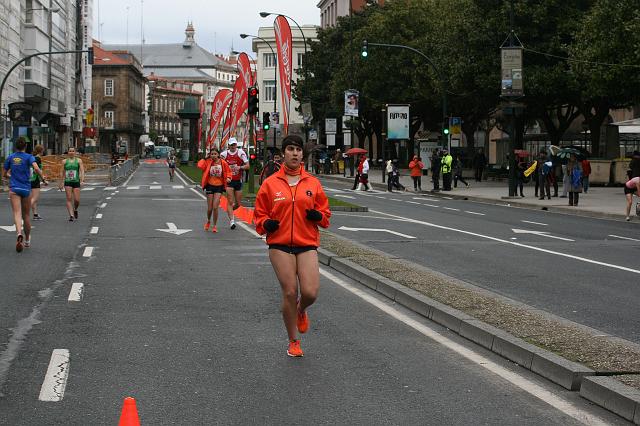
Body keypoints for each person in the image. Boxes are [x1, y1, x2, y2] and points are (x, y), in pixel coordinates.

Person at [254, 135, 331, 357]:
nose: (295, 153)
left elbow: (326, 216)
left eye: (298, 149)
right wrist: (265, 223)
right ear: (283, 154)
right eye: (290, 149)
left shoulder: (312, 183)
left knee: (310, 292)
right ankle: (293, 341)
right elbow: (260, 215)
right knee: (289, 291)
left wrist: (318, 215)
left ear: (302, 155)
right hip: (279, 244)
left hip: (306, 243)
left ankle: (301, 309)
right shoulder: (270, 184)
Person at [2, 137, 46, 251]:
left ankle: (18, 234)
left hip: (14, 188)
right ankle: (26, 240)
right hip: (26, 188)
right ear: (25, 146)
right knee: (26, 215)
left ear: (15, 146)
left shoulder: (10, 157)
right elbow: (36, 168)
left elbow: (4, 174)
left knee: (17, 213)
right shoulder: (29, 157)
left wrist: (12, 177)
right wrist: (43, 179)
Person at [197, 148, 231, 232]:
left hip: (219, 186)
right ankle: (208, 221)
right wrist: (205, 158)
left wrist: (229, 178)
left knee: (215, 207)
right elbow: (200, 166)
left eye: (215, 154)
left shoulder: (223, 163)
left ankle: (214, 225)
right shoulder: (208, 162)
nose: (213, 156)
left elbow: (228, 171)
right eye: (212, 154)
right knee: (210, 208)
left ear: (218, 154)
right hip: (209, 185)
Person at [220, 138, 249, 229]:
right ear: (228, 146)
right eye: (231, 145)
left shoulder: (241, 153)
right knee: (230, 201)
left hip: (238, 181)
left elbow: (247, 166)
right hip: (229, 181)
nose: (233, 146)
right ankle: (232, 221)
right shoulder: (224, 154)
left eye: (234, 144)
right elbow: (218, 165)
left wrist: (239, 167)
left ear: (236, 145)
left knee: (238, 204)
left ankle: (230, 211)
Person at [59, 147, 85, 221]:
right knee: (69, 198)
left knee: (77, 200)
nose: (71, 152)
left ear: (75, 152)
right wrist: (61, 182)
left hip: (76, 181)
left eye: (73, 151)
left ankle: (75, 209)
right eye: (70, 151)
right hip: (68, 182)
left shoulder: (79, 160)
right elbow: (61, 172)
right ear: (68, 152)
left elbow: (82, 171)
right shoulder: (64, 161)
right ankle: (71, 215)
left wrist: (82, 180)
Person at [30, 144, 46, 220]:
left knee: (33, 198)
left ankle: (35, 214)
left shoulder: (31, 158)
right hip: (35, 179)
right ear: (41, 151)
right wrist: (43, 179)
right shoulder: (38, 158)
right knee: (34, 198)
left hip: (28, 179)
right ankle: (23, 210)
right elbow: (38, 170)